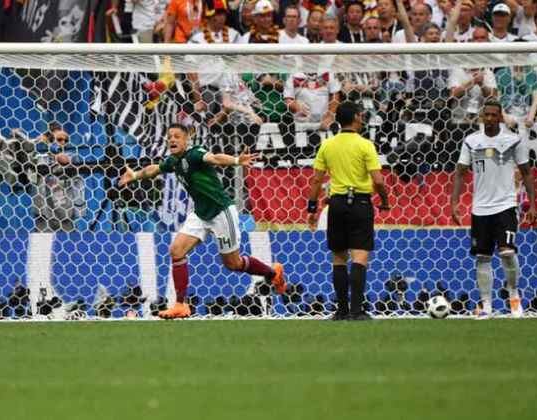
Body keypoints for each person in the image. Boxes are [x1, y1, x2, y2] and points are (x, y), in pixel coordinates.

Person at [118, 123, 287, 319]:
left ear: (186, 139)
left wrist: (236, 160)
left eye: (177, 136)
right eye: (169, 136)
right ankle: (181, 305)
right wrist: (135, 175)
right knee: (176, 250)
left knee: (233, 264)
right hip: (200, 214)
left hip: (221, 212)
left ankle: (273, 274)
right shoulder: (173, 161)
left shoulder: (195, 154)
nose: (172, 139)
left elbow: (214, 158)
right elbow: (155, 169)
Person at [450, 100, 537, 319]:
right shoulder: (471, 141)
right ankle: (486, 305)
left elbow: (526, 172)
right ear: (482, 116)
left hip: (505, 205)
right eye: (486, 115)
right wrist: (454, 203)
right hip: (480, 208)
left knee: (507, 252)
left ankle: (514, 298)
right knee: (482, 257)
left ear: (499, 117)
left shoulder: (512, 141)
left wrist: (533, 204)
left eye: (493, 115)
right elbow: (460, 172)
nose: (489, 118)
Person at [307, 101, 390, 321]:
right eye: (361, 115)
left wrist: (312, 208)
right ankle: (356, 311)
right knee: (360, 257)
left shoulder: (328, 145)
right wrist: (384, 200)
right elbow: (379, 181)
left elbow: (316, 179)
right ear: (355, 117)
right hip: (361, 203)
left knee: (339, 258)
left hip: (337, 204)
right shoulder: (365, 145)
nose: (362, 118)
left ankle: (341, 311)